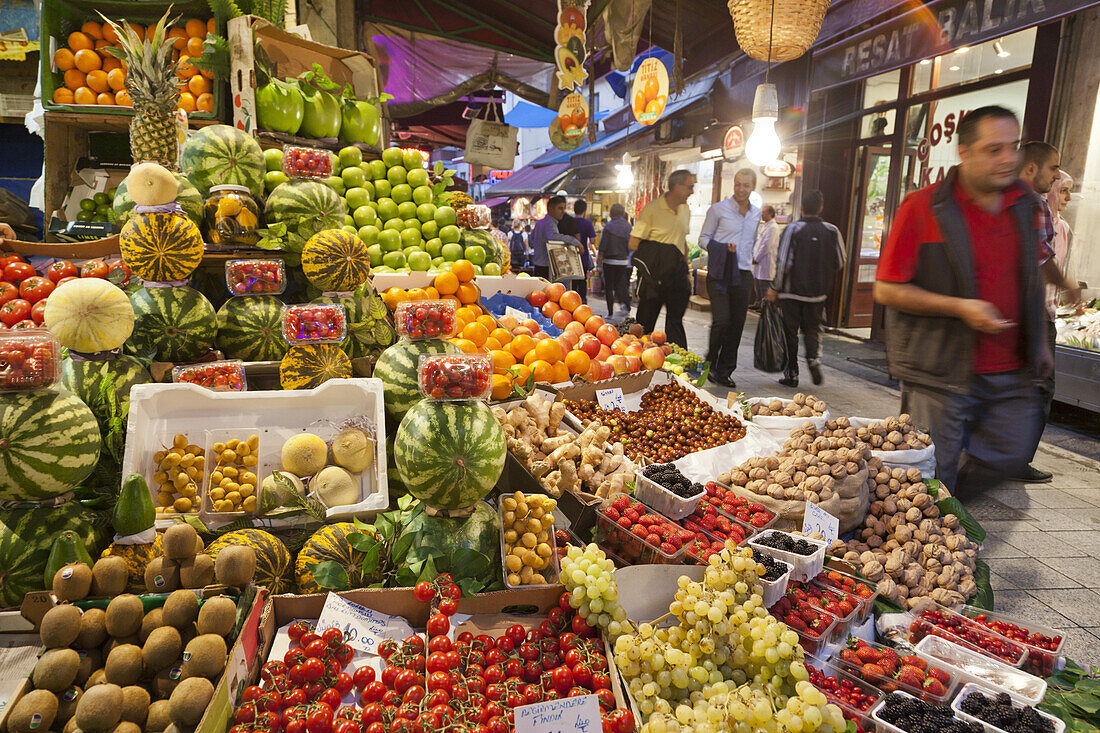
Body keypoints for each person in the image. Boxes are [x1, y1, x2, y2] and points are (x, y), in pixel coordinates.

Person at [873, 105, 1051, 499]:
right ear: (964, 152)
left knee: (1012, 452)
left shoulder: (1025, 205)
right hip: (939, 370)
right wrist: (961, 307)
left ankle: (950, 511)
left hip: (1011, 369)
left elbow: (1031, 276)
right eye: (994, 149)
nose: (1008, 158)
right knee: (932, 472)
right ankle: (934, 533)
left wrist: (1039, 342)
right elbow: (886, 289)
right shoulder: (923, 207)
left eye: (1013, 147)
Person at [1015, 142, 1082, 482]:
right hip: (1033, 314)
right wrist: (1068, 286)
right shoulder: (1034, 207)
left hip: (1036, 313)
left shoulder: (1057, 223)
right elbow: (1042, 260)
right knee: (1040, 388)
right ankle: (1013, 459)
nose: (1058, 178)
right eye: (1055, 170)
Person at [767, 190, 845, 388]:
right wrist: (823, 276)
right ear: (820, 208)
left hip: (791, 292)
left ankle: (791, 373)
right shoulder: (832, 230)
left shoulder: (793, 229)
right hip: (817, 293)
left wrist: (775, 287)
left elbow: (784, 262)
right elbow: (841, 260)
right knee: (812, 329)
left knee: (790, 333)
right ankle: (813, 359)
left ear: (801, 208)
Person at [698, 168, 761, 387]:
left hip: (743, 274)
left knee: (737, 324)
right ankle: (711, 360)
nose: (741, 189)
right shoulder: (718, 210)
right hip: (720, 273)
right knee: (722, 320)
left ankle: (725, 371)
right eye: (738, 184)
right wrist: (722, 248)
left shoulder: (756, 213)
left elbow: (751, 242)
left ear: (752, 187)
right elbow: (703, 239)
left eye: (746, 185)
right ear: (733, 185)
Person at [629, 170, 695, 347]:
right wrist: (660, 255)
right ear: (677, 187)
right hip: (654, 277)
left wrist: (686, 270)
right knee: (645, 325)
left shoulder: (685, 210)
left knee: (675, 323)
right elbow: (633, 242)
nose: (692, 191)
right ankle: (637, 362)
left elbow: (683, 241)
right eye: (690, 187)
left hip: (677, 275)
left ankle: (677, 367)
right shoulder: (652, 209)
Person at [599, 203, 633, 318]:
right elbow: (631, 245)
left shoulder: (608, 226)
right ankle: (626, 306)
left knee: (609, 287)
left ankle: (610, 313)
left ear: (611, 213)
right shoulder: (628, 226)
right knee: (621, 284)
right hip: (623, 261)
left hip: (609, 261)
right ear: (623, 213)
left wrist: (599, 262)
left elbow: (602, 246)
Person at [528, 196, 566, 280]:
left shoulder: (539, 223)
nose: (563, 211)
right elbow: (552, 237)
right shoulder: (550, 223)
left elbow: (532, 238)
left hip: (538, 264)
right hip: (546, 267)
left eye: (564, 208)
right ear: (551, 209)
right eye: (560, 208)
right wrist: (573, 241)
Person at [752, 205, 780, 310]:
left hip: (766, 261)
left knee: (764, 285)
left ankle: (764, 306)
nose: (762, 215)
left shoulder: (773, 227)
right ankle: (758, 302)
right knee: (757, 283)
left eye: (764, 213)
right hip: (759, 261)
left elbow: (766, 246)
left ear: (770, 214)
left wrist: (757, 258)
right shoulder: (765, 226)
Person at [572, 200, 596, 302]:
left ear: (574, 209)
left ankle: (571, 301)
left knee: (572, 281)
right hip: (583, 256)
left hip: (571, 256)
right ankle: (582, 302)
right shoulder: (588, 223)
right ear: (585, 210)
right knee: (582, 280)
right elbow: (593, 240)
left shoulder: (570, 222)